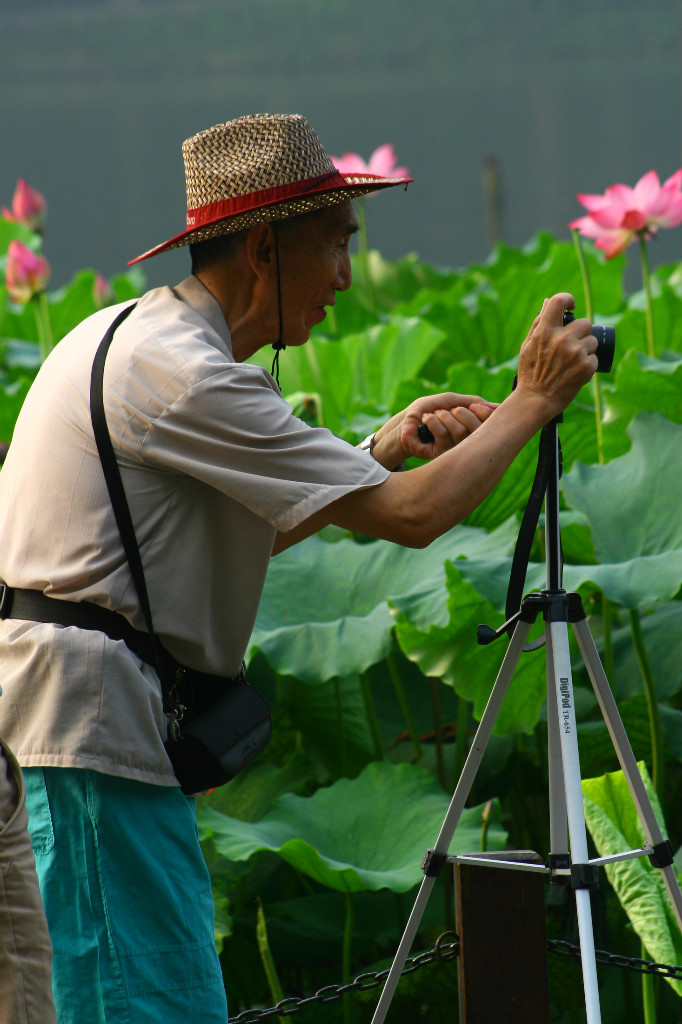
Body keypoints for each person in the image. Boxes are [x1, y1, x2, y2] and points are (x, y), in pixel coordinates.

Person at [0, 113, 597, 1023]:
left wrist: (371, 451)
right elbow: (415, 517)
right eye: (337, 243)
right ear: (266, 250)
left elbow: (188, 540)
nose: (348, 277)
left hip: (66, 728)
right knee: (142, 1007)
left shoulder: (127, 336)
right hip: (86, 736)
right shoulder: (193, 377)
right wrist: (534, 398)